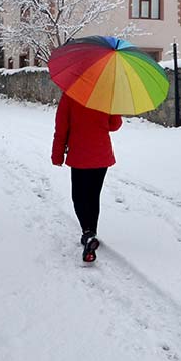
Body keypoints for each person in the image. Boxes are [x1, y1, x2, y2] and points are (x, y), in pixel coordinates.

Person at [51, 93, 123, 263]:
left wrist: (57, 155)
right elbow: (115, 124)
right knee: (93, 196)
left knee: (79, 197)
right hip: (101, 154)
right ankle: (91, 234)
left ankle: (88, 233)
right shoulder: (106, 94)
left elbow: (61, 128)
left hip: (80, 154)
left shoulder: (71, 95)